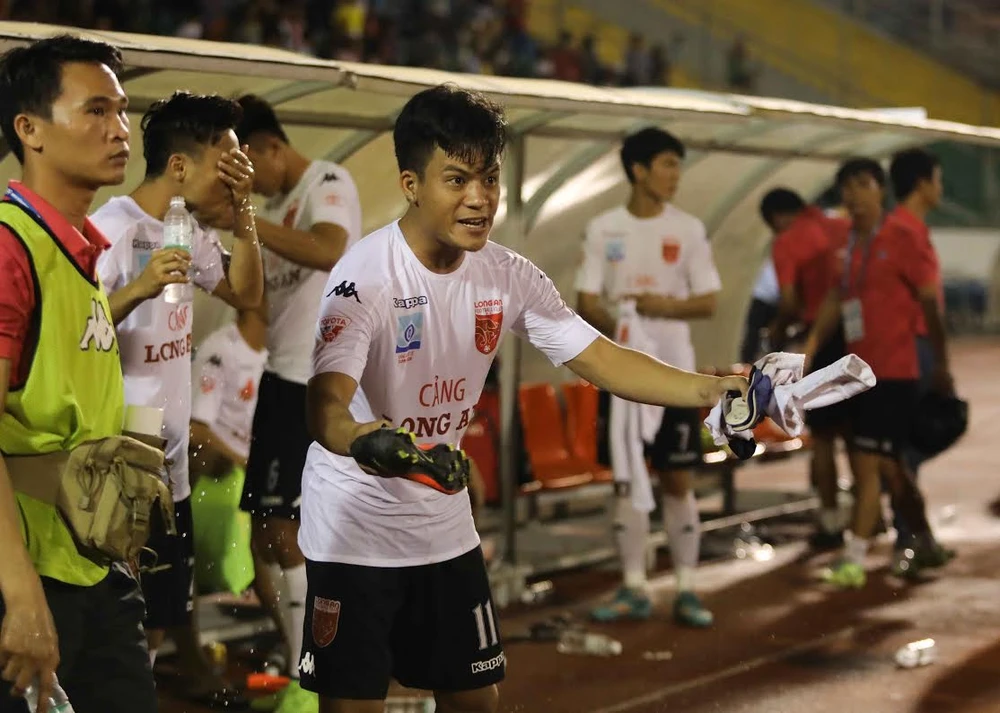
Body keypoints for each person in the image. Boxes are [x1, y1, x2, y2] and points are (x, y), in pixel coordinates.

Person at [296, 85, 748, 713]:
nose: (479, 198)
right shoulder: (364, 276)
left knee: (476, 702)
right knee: (353, 708)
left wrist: (711, 388)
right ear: (411, 185)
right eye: (457, 179)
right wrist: (367, 441)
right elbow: (325, 407)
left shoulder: (507, 274)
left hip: (444, 523)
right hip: (354, 529)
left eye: (489, 178)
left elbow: (601, 359)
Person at [0, 35, 156, 713]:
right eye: (96, 110)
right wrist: (21, 598)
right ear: (29, 129)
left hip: (93, 566)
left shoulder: (83, 253)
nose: (120, 130)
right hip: (30, 578)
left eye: (122, 111)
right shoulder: (10, 248)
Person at [91, 90, 262, 705]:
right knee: (112, 623)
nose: (237, 175)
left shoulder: (187, 228)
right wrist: (138, 288)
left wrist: (245, 210)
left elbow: (246, 294)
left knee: (158, 616)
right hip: (120, 465)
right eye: (228, 163)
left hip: (173, 469)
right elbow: (74, 331)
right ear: (181, 165)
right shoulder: (110, 228)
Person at [234, 94, 363, 712]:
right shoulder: (269, 210)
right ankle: (301, 662)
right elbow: (258, 301)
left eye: (247, 163)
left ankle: (308, 673)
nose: (248, 183)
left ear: (270, 147)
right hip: (277, 378)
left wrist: (245, 220)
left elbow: (330, 248)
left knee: (286, 532)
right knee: (264, 533)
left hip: (311, 381)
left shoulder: (327, 182)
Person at [576, 127, 721, 628]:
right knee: (625, 477)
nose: (676, 175)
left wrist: (662, 306)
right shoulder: (603, 228)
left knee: (677, 478)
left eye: (678, 165)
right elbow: (586, 300)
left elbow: (708, 300)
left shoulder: (689, 229)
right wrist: (618, 324)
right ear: (639, 171)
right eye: (667, 164)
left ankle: (686, 587)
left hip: (675, 373)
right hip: (621, 374)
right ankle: (634, 585)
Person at [804, 158, 952, 588]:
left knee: (867, 465)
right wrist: (809, 349)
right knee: (891, 468)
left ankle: (853, 559)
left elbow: (929, 302)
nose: (853, 194)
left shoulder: (902, 237)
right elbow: (837, 297)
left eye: (862, 184)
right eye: (846, 186)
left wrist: (941, 364)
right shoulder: (850, 242)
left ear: (880, 190)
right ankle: (925, 541)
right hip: (858, 371)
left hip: (894, 372)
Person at [759, 188, 849, 549]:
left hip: (823, 340)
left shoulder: (786, 241)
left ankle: (830, 521)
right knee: (860, 435)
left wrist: (779, 329)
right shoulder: (841, 227)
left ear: (777, 218)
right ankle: (870, 516)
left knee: (824, 438)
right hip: (860, 338)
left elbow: (789, 300)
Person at [886, 147, 955, 567]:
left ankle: (913, 535)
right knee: (910, 447)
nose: (940, 189)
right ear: (922, 183)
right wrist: (943, 362)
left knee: (901, 449)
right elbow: (929, 304)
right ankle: (910, 538)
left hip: (893, 349)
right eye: (937, 180)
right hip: (911, 349)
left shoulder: (889, 230)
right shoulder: (908, 233)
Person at [188, 308, 269, 606]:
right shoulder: (220, 349)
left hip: (256, 470)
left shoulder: (277, 354)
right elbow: (196, 430)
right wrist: (246, 462)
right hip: (222, 474)